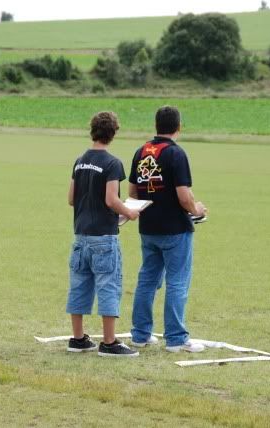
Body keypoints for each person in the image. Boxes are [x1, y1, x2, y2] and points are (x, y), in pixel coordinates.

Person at [128, 106, 208, 353]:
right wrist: (197, 210)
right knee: (177, 282)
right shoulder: (176, 154)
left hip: (148, 228)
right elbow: (183, 196)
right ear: (179, 127)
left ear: (156, 125)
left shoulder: (141, 152)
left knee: (147, 280)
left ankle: (140, 335)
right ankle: (176, 339)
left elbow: (132, 192)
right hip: (174, 229)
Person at [66, 111, 140, 357]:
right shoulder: (112, 163)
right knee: (108, 285)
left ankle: (78, 339)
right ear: (113, 133)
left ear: (93, 130)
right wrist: (128, 212)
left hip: (81, 234)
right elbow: (111, 199)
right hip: (104, 236)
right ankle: (109, 342)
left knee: (79, 285)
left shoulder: (79, 161)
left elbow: (70, 199)